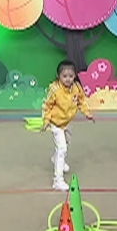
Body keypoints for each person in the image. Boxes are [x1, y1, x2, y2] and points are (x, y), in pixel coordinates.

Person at [41, 60, 95, 191]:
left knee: (66, 143)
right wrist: (46, 120)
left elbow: (81, 101)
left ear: (75, 75)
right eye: (64, 76)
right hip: (56, 123)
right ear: (58, 76)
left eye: (71, 76)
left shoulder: (76, 87)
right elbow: (47, 105)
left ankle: (56, 158)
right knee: (62, 149)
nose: (68, 79)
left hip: (68, 122)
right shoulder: (54, 89)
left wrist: (87, 113)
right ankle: (57, 180)